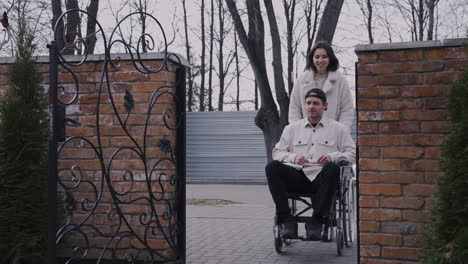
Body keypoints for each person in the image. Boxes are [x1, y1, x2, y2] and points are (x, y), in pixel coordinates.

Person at [265, 88, 355, 241]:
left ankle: (317, 222)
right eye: (308, 103)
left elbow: (352, 154)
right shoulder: (291, 128)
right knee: (272, 166)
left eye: (316, 103)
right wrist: (293, 157)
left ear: (325, 106)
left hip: (323, 180)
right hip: (298, 177)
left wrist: (332, 156)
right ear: (304, 105)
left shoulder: (339, 129)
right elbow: (277, 152)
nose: (311, 106)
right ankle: (286, 220)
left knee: (332, 167)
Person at [289, 41, 354, 129]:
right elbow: (294, 109)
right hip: (306, 136)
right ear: (312, 58)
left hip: (333, 136)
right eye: (317, 57)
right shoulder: (302, 79)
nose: (320, 60)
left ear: (330, 58)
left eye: (324, 57)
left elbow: (347, 109)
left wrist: (342, 131)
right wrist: (297, 131)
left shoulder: (340, 80)